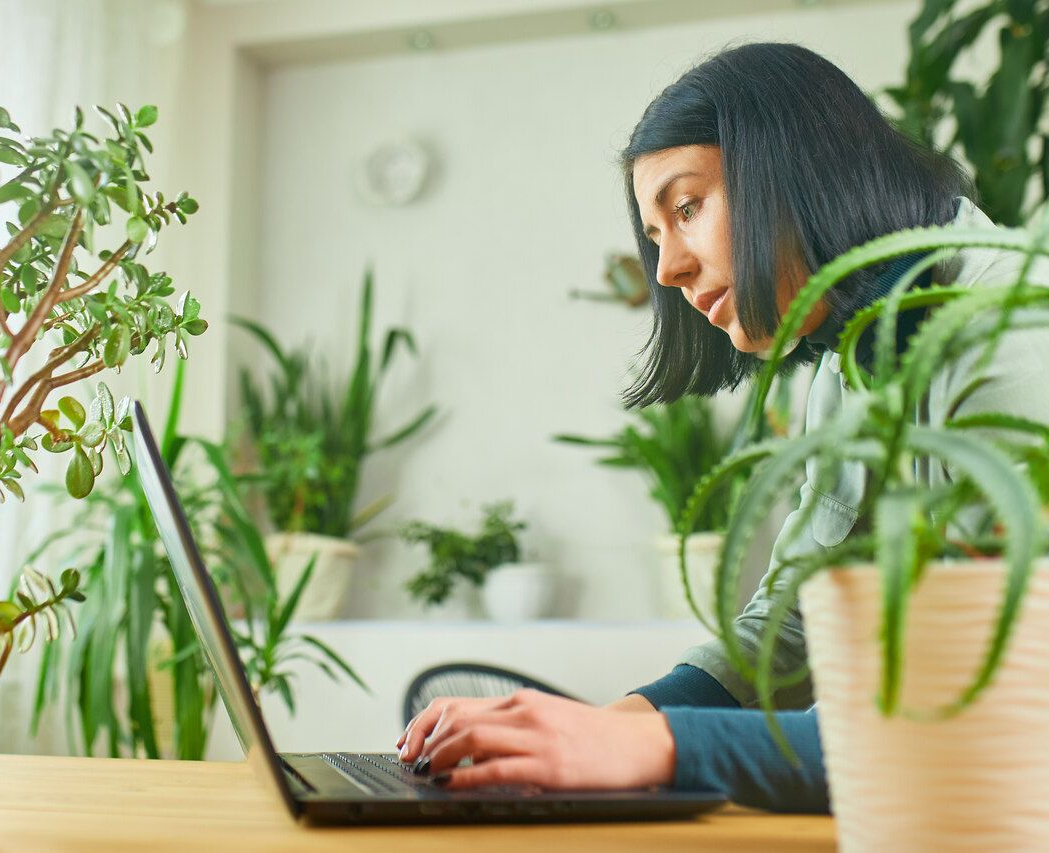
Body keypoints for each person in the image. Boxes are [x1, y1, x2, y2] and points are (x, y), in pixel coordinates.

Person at [395, 41, 1049, 813]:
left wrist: (653, 747)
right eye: (656, 232)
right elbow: (793, 624)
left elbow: (998, 715)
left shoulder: (1012, 335)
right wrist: (594, 732)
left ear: (800, 165)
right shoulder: (852, 361)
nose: (665, 269)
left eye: (686, 207)